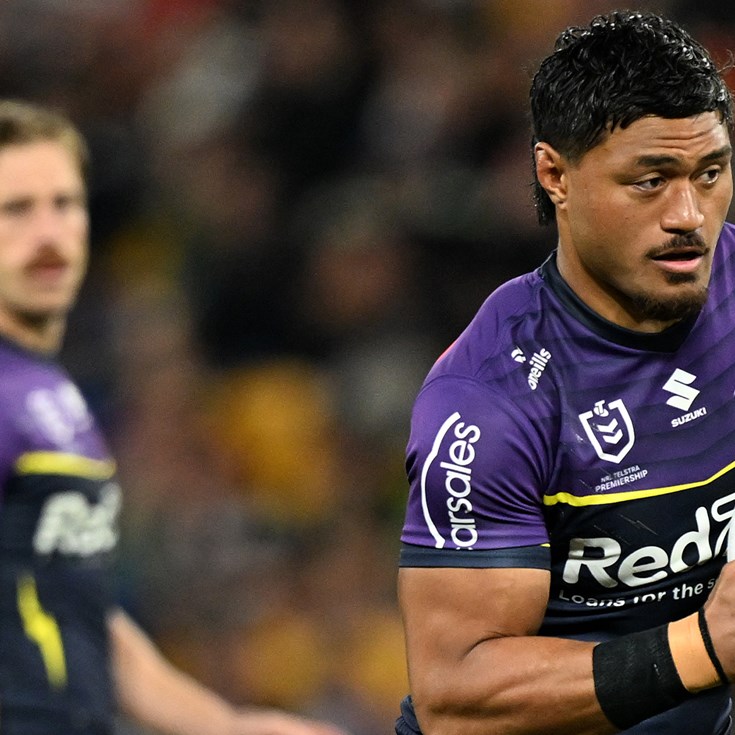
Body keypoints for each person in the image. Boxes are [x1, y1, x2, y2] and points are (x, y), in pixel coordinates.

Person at [395, 10, 735, 735]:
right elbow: (454, 696)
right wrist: (702, 647)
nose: (689, 215)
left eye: (709, 173)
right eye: (649, 180)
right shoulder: (488, 400)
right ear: (555, 174)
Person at [0, 98, 349, 735]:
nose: (49, 234)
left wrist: (228, 726)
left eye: (63, 205)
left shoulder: (49, 403)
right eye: (18, 209)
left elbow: (76, 608)